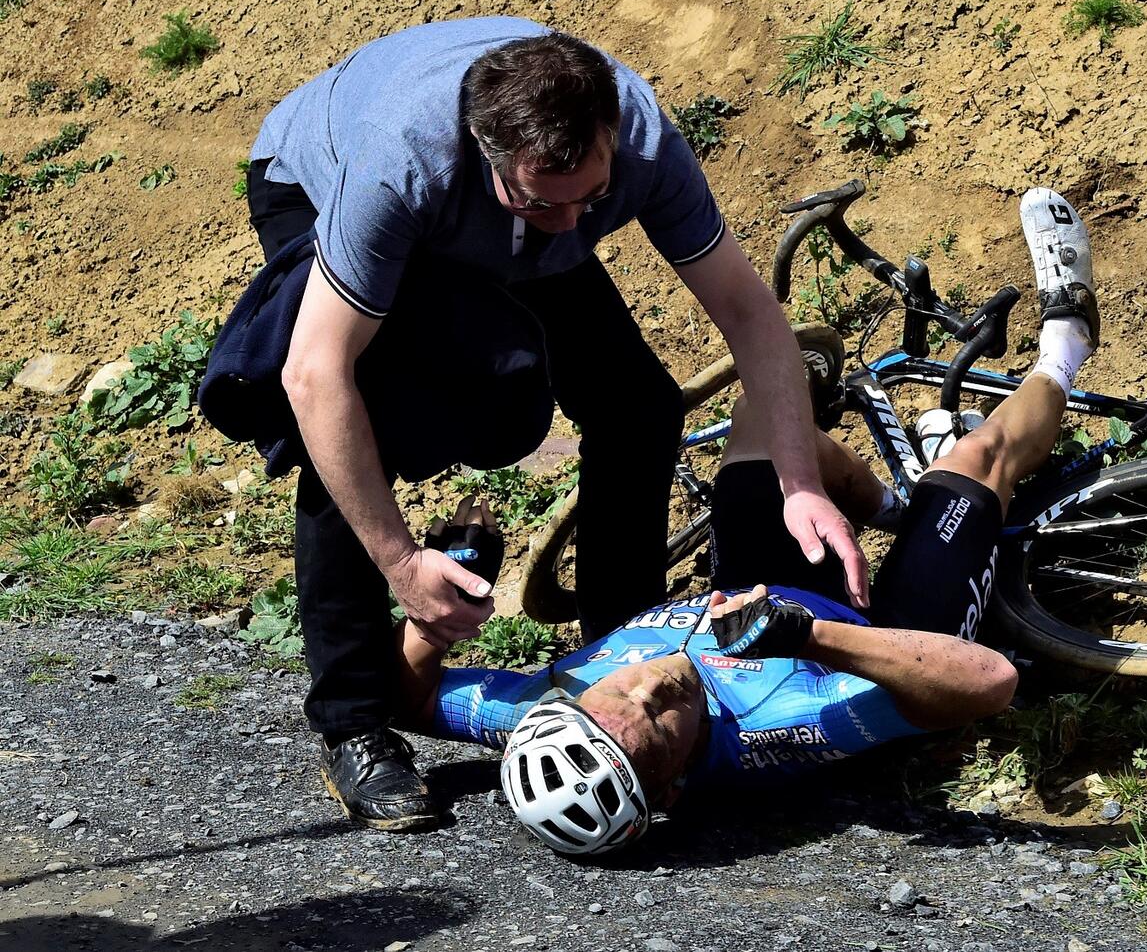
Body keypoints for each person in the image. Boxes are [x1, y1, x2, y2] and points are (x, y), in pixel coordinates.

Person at [205, 19, 867, 833]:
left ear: (607, 140)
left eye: (592, 201)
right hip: (314, 178)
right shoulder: (401, 167)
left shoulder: (639, 145)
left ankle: (616, 654)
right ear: (491, 153)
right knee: (363, 423)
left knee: (639, 405)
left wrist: (799, 483)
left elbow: (750, 315)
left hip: (492, 197)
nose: (571, 224)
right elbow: (317, 378)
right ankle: (352, 723)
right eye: (544, 201)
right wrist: (404, 566)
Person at [389, 189, 1100, 854]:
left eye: (620, 695)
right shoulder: (777, 727)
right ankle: (1068, 339)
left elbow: (406, 699)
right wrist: (812, 637)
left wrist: (432, 617)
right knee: (980, 459)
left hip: (763, 592)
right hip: (878, 642)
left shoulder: (547, 719)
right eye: (663, 728)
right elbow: (990, 682)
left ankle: (890, 510)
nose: (653, 687)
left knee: (757, 415)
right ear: (669, 790)